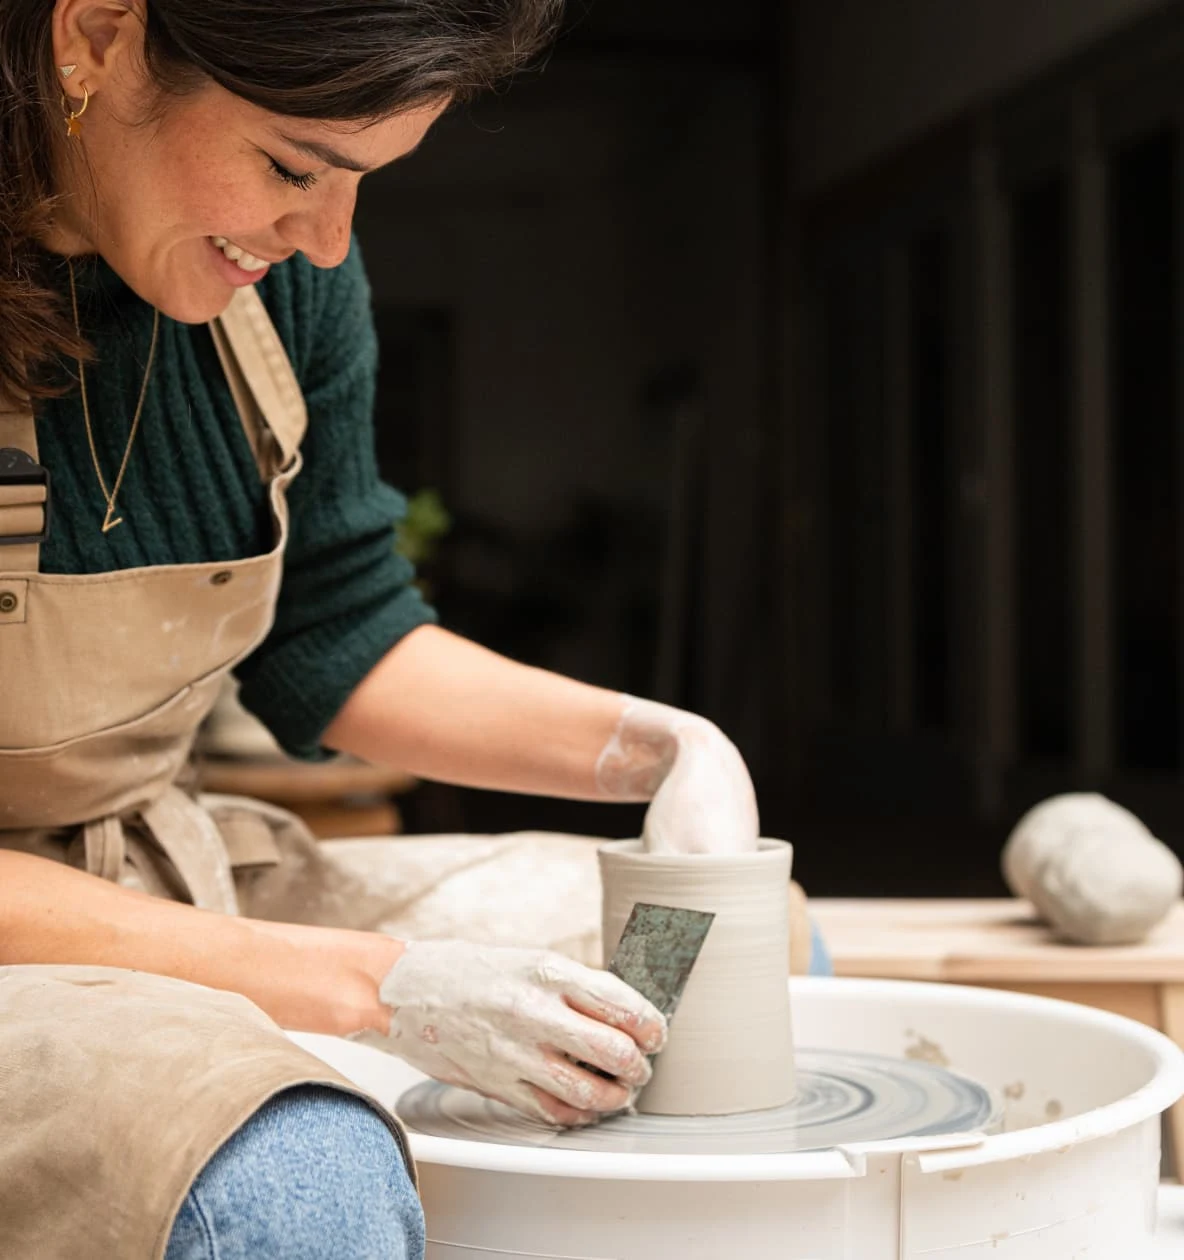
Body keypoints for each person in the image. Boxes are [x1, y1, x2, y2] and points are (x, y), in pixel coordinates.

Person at [0, 2, 826, 1257]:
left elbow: (335, 628)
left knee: (732, 963)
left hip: (155, 868)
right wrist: (373, 986)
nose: (326, 245)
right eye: (292, 166)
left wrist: (662, 747)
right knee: (288, 1185)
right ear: (99, 37)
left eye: (360, 186)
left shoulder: (273, 283)